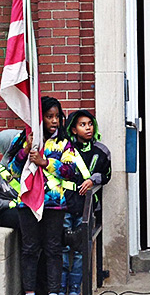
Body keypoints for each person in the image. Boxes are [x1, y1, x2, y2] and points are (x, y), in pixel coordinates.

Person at [8, 96, 76, 295]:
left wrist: (45, 162)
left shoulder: (64, 143)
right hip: (28, 203)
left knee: (53, 249)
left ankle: (53, 291)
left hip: (54, 204)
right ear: (40, 118)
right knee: (29, 249)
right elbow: (13, 170)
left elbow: (70, 171)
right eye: (49, 116)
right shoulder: (24, 139)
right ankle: (30, 291)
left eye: (57, 116)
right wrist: (26, 151)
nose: (54, 121)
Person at [60, 110, 112, 295]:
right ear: (73, 129)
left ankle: (75, 289)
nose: (88, 128)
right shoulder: (64, 149)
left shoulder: (102, 150)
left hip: (87, 207)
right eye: (83, 125)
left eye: (90, 124)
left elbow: (107, 174)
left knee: (82, 249)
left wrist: (93, 179)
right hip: (65, 204)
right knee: (63, 247)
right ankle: (61, 288)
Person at [0, 129, 21, 229]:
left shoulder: (28, 165)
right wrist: (8, 204)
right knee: (21, 217)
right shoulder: (1, 171)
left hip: (25, 206)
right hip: (6, 209)